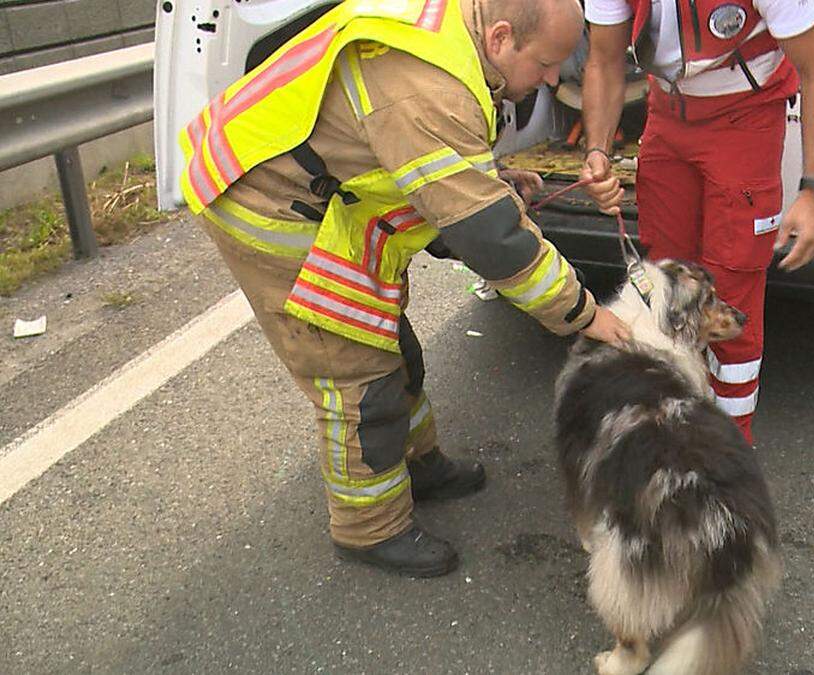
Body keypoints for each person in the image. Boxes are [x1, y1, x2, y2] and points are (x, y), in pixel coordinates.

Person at [176, 0, 630, 577]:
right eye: (545, 65)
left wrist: (482, 179)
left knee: (392, 342)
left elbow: (431, 161)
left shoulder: (452, 38)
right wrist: (584, 315)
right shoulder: (424, 87)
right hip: (264, 203)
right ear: (500, 38)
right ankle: (369, 527)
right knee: (355, 367)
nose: (548, 81)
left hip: (318, 194)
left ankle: (418, 465)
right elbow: (489, 239)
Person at [579, 0, 814, 443]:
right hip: (668, 115)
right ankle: (668, 433)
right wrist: (597, 152)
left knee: (731, 296)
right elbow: (603, 60)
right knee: (667, 288)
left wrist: (813, 191)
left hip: (745, 119)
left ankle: (731, 449)